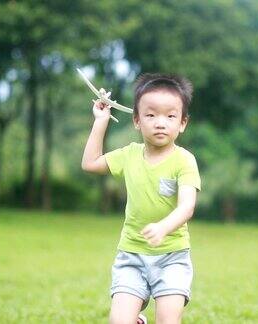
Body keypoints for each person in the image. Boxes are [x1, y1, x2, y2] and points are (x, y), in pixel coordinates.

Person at [81, 73, 201, 324]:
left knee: (168, 320)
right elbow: (90, 163)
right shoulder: (129, 155)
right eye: (151, 115)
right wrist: (101, 121)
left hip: (172, 256)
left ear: (182, 123)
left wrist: (163, 227)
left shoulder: (184, 160)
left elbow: (187, 206)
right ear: (136, 120)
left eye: (170, 116)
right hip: (131, 255)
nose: (160, 123)